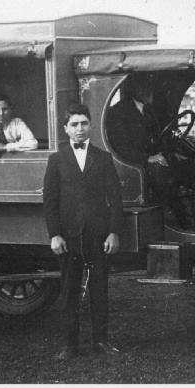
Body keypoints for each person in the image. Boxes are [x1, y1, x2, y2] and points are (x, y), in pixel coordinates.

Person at [44, 103, 123, 361]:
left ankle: (101, 341)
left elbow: (115, 199)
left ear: (91, 126)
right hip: (68, 237)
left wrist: (113, 233)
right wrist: (54, 234)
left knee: (100, 290)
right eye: (74, 124)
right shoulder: (56, 160)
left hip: (98, 237)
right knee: (69, 292)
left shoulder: (103, 158)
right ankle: (70, 345)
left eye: (84, 123)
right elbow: (50, 201)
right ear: (66, 129)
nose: (80, 129)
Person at [106, 74, 195, 230]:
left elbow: (160, 138)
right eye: (143, 84)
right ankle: (180, 220)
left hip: (159, 160)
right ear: (133, 87)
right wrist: (148, 158)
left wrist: (173, 153)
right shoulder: (118, 112)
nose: (148, 89)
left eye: (149, 85)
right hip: (135, 167)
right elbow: (119, 148)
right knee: (161, 174)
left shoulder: (149, 109)